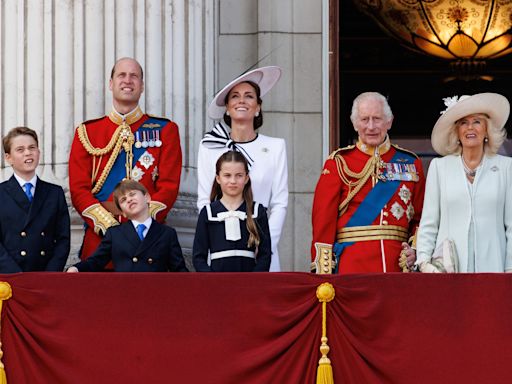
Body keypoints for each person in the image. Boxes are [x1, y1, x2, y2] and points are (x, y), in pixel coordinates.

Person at [69, 57, 182, 263]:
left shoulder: (165, 130)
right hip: (100, 243)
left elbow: (169, 187)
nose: (127, 80)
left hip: (149, 242)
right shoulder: (87, 132)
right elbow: (79, 190)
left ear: (142, 86)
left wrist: (141, 225)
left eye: (134, 76)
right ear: (111, 84)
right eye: (121, 75)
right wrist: (111, 229)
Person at [310, 92, 425, 274]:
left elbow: (421, 217)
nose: (371, 126)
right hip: (351, 264)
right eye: (364, 119)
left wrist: (417, 251)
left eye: (377, 119)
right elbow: (323, 221)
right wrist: (324, 272)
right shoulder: (339, 162)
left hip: (397, 265)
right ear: (355, 123)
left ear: (389, 121)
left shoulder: (410, 162)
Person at [197, 66, 287, 272]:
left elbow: (280, 203)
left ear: (258, 107)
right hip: (220, 250)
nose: (241, 101)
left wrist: (264, 244)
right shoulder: (210, 146)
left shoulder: (275, 146)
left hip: (262, 251)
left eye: (249, 96)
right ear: (227, 108)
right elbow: (204, 200)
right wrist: (216, 239)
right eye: (235, 96)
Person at [416, 93, 512, 273]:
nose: (470, 127)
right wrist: (423, 261)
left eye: (477, 121)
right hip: (449, 272)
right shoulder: (440, 167)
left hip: (494, 271)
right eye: (463, 122)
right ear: (457, 132)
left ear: (486, 130)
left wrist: (509, 269)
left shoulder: (506, 168)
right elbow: (429, 222)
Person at [67, 180, 187, 272]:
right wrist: (76, 268)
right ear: (123, 212)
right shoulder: (115, 234)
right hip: (125, 293)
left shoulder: (167, 233)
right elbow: (95, 261)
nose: (129, 200)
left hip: (156, 295)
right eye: (123, 200)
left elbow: (179, 270)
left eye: (132, 194)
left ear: (147, 197)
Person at [0, 127, 70, 273]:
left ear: (38, 152)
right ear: (8, 158)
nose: (28, 153)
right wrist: (16, 275)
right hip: (10, 277)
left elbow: (63, 239)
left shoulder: (54, 193)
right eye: (20, 149)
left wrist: (50, 274)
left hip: (46, 277)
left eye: (32, 147)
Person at [193, 151, 271, 272]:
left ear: (246, 178)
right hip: (217, 284)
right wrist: (211, 280)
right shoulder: (208, 212)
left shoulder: (257, 211)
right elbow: (198, 257)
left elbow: (265, 254)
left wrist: (254, 280)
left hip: (249, 284)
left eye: (239, 175)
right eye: (227, 175)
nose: (233, 181)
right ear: (218, 178)